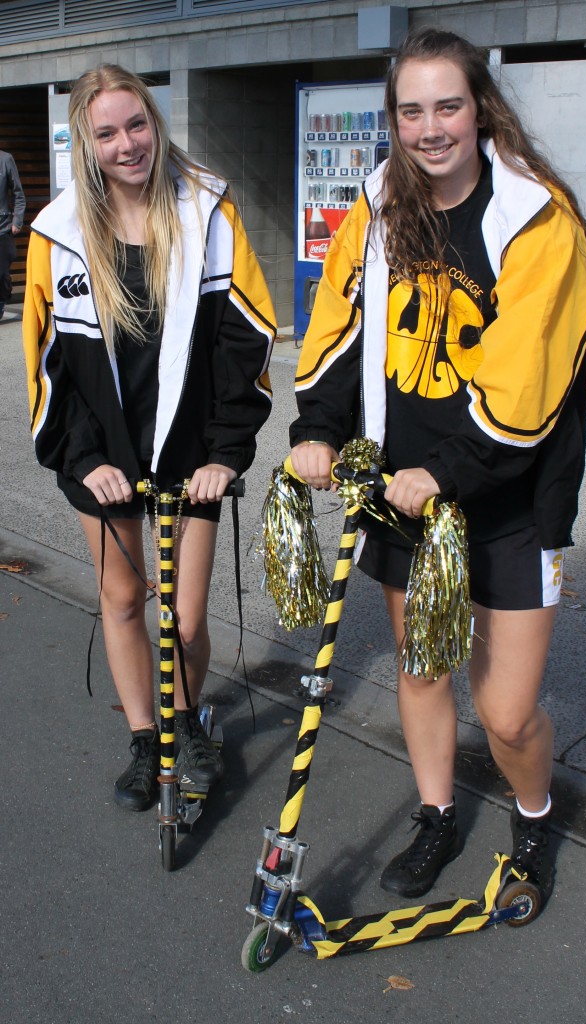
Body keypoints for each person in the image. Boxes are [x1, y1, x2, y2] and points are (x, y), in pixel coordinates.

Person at [289, 28, 586, 904]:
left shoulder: (537, 220)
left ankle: (531, 817)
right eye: (410, 109)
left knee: (503, 712)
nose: (429, 128)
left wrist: (446, 472)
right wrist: (317, 424)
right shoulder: (380, 206)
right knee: (421, 667)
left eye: (447, 106)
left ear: (480, 109)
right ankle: (435, 814)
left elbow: (526, 381)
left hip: (502, 500)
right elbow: (338, 329)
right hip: (400, 489)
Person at [23, 65, 276, 811]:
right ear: (85, 142)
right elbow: (45, 364)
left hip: (189, 449)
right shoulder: (58, 232)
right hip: (101, 454)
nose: (127, 144)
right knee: (124, 597)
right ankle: (145, 739)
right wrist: (81, 456)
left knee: (187, 617)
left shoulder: (206, 210)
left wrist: (225, 451)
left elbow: (247, 341)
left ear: (155, 125)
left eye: (137, 125)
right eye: (107, 132)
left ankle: (187, 721)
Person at [0, 149, 26, 320]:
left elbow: (19, 194)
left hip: (2, 227)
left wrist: (17, 221)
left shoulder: (5, 159)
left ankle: (1, 302)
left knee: (1, 274)